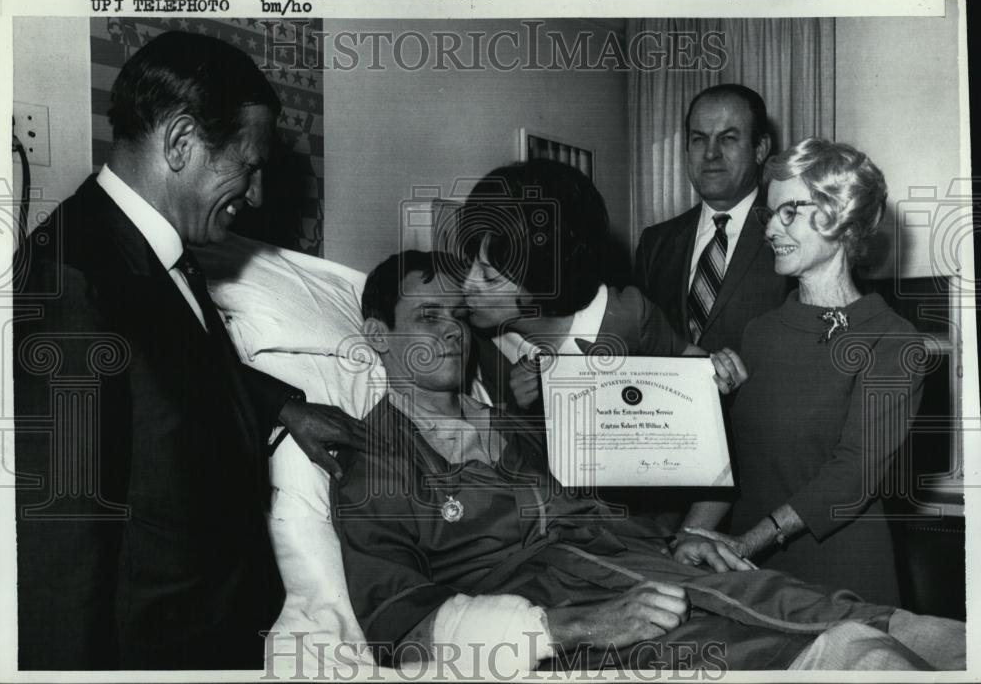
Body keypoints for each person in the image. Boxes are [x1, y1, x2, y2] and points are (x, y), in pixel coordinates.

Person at [332, 250, 964, 673]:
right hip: (576, 609)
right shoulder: (377, 465)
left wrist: (679, 537)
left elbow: (593, 506)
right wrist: (572, 626)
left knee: (818, 608)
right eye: (427, 317)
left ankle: (905, 635)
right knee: (792, 652)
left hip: (643, 562)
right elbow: (399, 628)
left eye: (458, 316)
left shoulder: (507, 425)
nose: (451, 332)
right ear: (377, 335)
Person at [13, 31, 365, 669]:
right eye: (249, 167)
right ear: (180, 142)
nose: (256, 195)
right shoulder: (71, 277)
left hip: (215, 628)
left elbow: (169, 373)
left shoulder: (153, 249)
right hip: (153, 650)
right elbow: (60, 538)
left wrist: (282, 409)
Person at [678, 139, 923, 606]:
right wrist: (688, 538)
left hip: (838, 577)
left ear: (840, 215)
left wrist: (743, 544)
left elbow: (851, 479)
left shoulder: (893, 341)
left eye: (789, 211)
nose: (771, 229)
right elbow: (733, 462)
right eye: (768, 214)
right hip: (748, 572)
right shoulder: (759, 332)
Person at [457, 158, 746, 420]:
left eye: (488, 276)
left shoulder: (627, 313)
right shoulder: (470, 334)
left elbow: (687, 358)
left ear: (543, 282)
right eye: (470, 263)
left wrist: (719, 372)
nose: (467, 284)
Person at [634, 84, 791, 354]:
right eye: (698, 139)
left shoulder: (792, 235)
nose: (710, 153)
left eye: (728, 138)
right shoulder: (655, 244)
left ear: (761, 148)